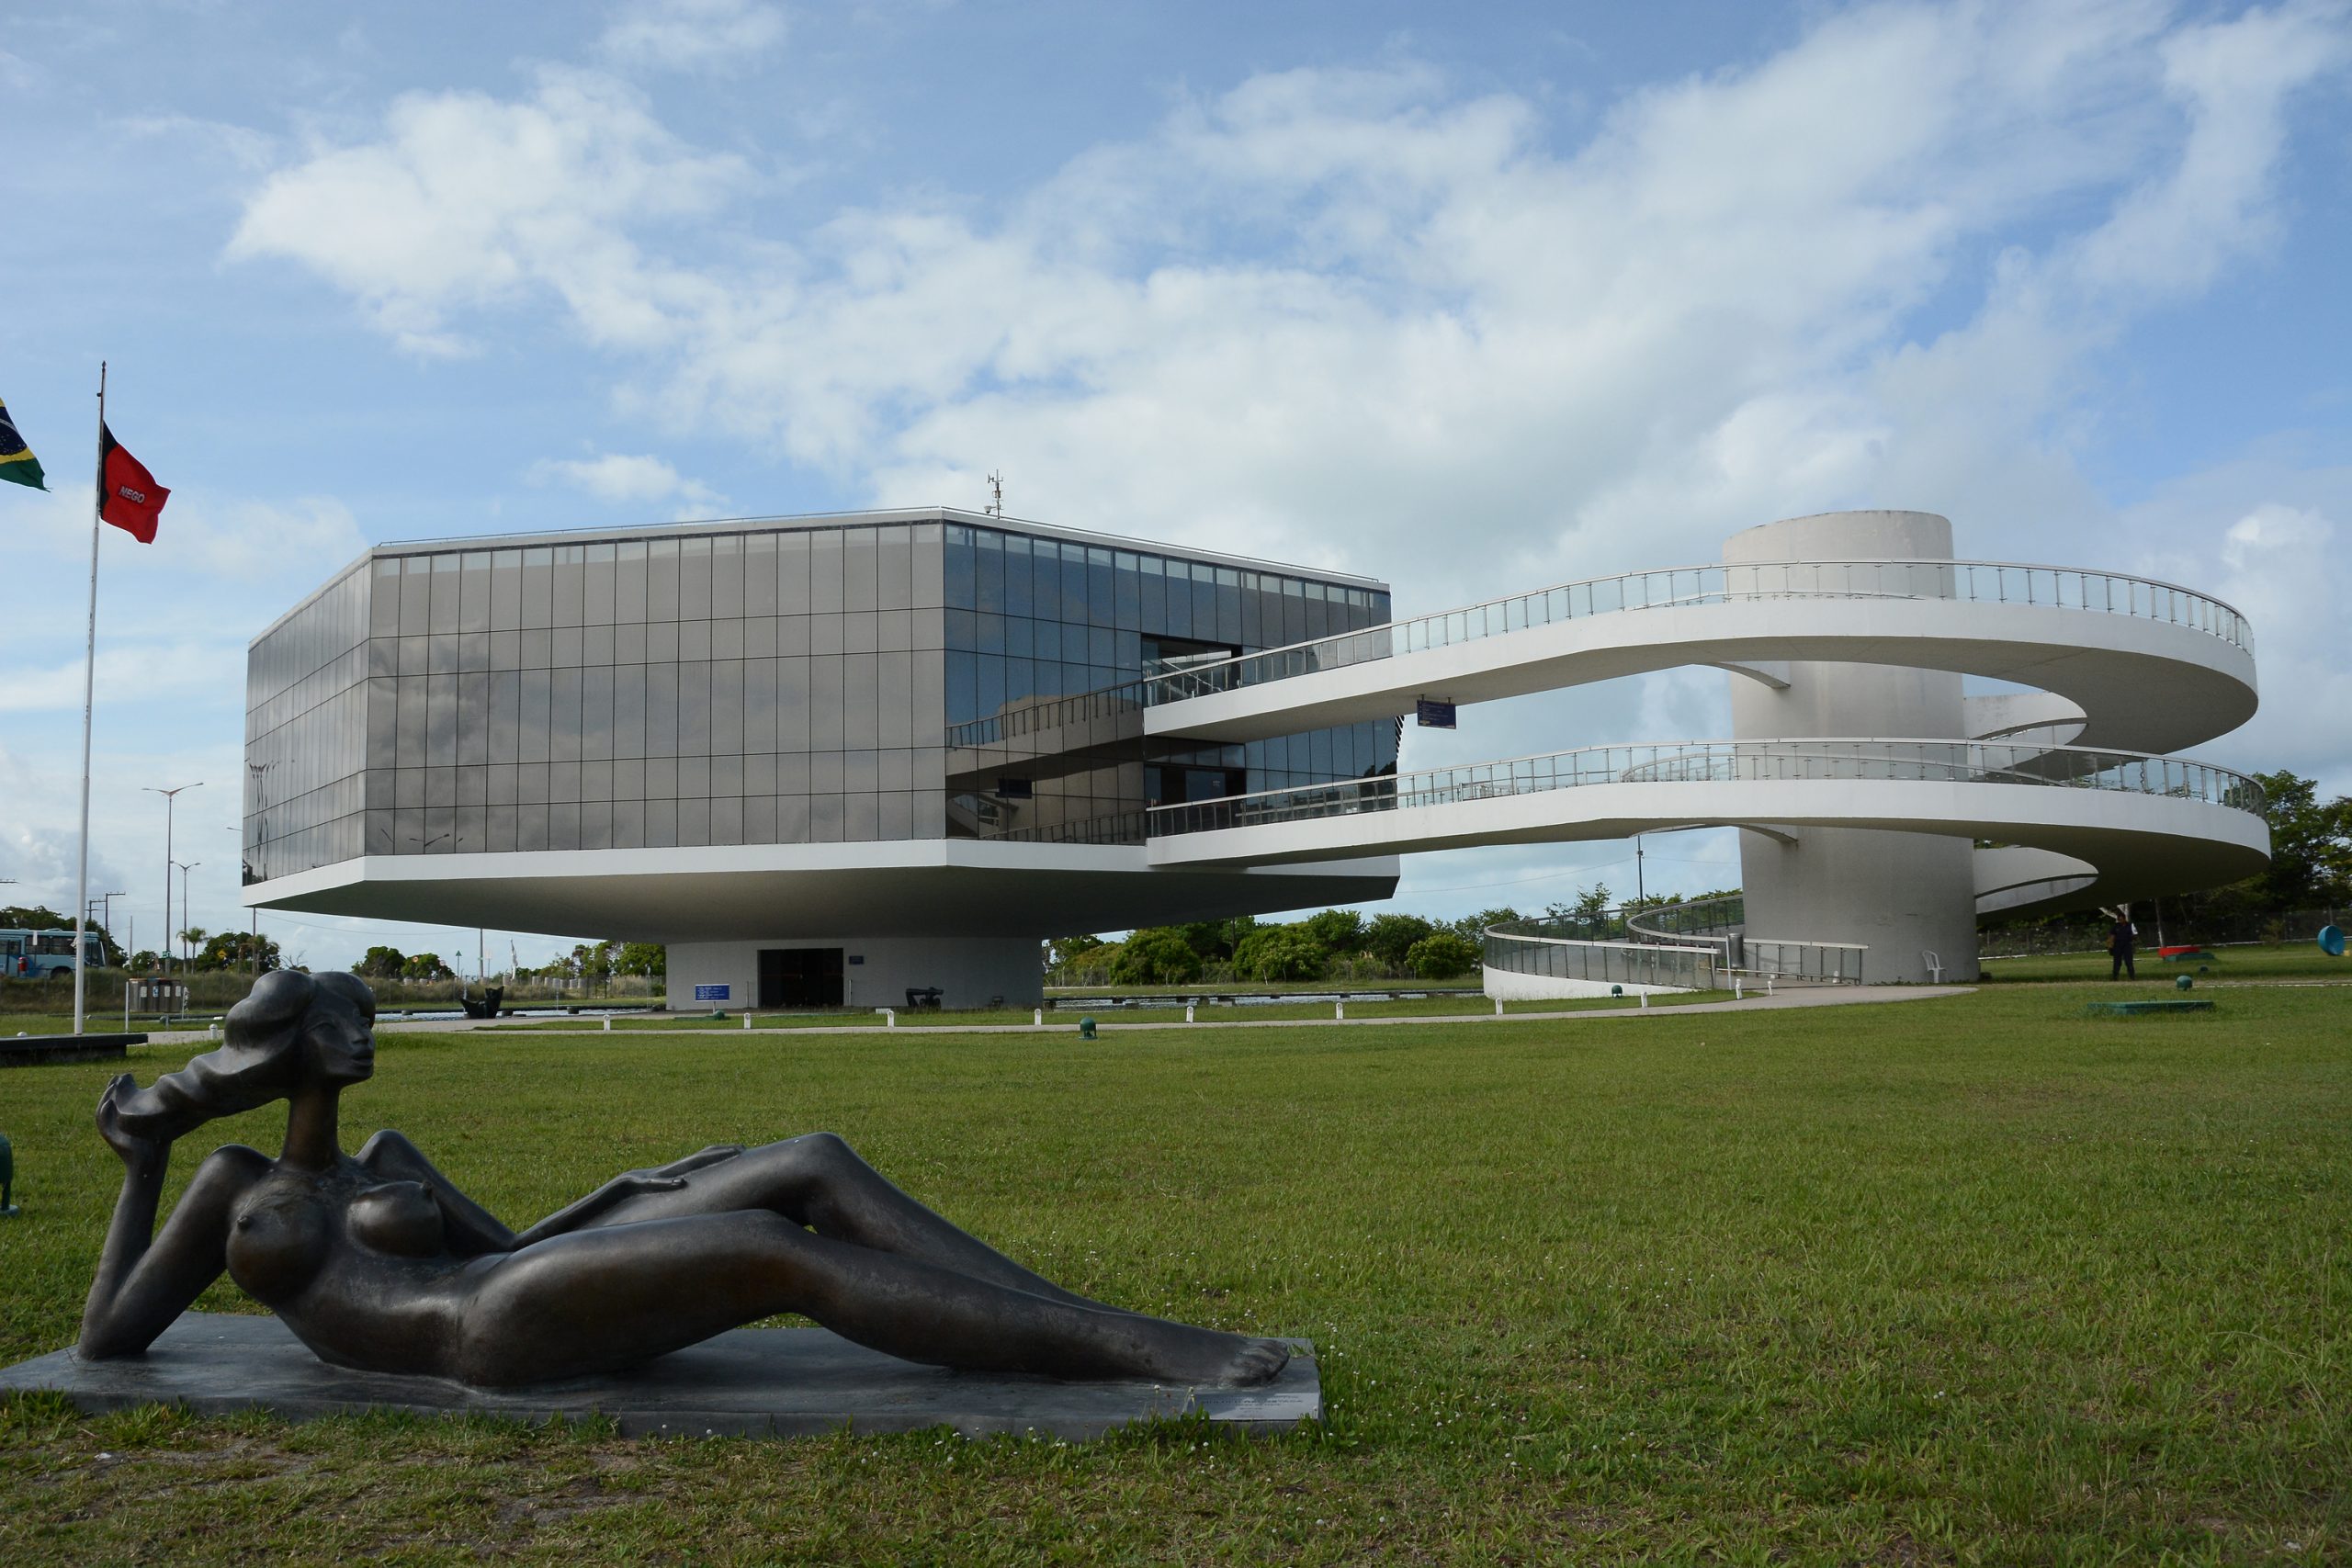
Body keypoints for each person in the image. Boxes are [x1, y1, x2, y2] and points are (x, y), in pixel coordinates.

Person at [77, 970, 1288, 1390]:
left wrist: (630, 1186)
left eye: (361, 1017)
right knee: (779, 1252)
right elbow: (111, 1340)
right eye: (337, 1022)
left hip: (515, 1287)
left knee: (807, 1156)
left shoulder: (384, 1156)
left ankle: (1092, 1325)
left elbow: (516, 1244)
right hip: (477, 1338)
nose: (360, 1036)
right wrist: (142, 1168)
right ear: (286, 1047)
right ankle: (1139, 1352)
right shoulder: (229, 1183)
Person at [2108, 912, 2138, 980]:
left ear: (2124, 919)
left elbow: (2135, 935)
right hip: (2117, 945)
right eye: (2119, 920)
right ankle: (2115, 977)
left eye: (2121, 919)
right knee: (2117, 962)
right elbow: (2112, 936)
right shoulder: (2115, 926)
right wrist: (2110, 946)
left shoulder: (2130, 925)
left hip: (2127, 945)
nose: (2120, 921)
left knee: (2129, 962)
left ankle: (2132, 977)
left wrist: (2132, 939)